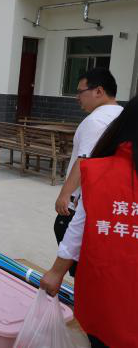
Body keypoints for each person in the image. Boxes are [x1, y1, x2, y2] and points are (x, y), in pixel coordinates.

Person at [41, 96, 138, 348]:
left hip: (105, 297)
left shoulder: (100, 171)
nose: (78, 97)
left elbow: (79, 226)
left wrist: (57, 271)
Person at [53, 68, 122, 276]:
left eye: (80, 92)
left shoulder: (96, 121)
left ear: (99, 91)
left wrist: (65, 195)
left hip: (81, 203)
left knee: (73, 249)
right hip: (106, 200)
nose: (77, 97)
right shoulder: (121, 115)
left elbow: (84, 161)